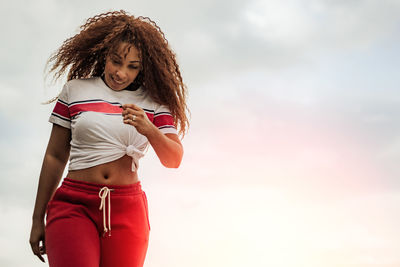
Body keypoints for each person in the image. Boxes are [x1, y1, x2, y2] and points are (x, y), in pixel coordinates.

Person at [29, 10, 189, 267]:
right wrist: (38, 219)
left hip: (127, 210)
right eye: (116, 61)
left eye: (132, 67)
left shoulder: (155, 103)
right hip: (73, 204)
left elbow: (174, 159)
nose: (120, 73)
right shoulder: (76, 90)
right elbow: (55, 156)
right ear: (105, 54)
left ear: (144, 68)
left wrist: (148, 128)